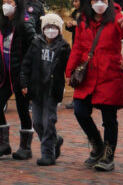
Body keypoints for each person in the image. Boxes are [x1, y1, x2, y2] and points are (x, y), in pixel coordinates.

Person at [66, 0, 123, 172]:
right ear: (90, 1)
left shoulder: (117, 17)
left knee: (109, 119)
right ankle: (97, 144)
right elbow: (78, 47)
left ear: (108, 0)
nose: (99, 2)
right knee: (80, 111)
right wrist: (70, 70)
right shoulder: (83, 21)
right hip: (88, 74)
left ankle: (108, 156)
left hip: (109, 74)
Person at [0, 0, 36, 161]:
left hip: (20, 76)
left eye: (9, 3)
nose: (5, 6)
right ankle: (3, 144)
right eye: (4, 2)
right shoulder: (2, 25)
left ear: (17, 5)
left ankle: (25, 147)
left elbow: (34, 48)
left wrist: (27, 76)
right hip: (5, 75)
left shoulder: (25, 24)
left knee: (23, 110)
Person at [20, 11, 71, 166]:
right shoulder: (36, 44)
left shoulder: (63, 47)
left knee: (48, 122)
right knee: (37, 122)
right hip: (36, 89)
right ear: (43, 28)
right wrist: (24, 83)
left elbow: (69, 65)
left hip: (52, 90)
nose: (51, 30)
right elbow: (26, 65)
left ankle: (48, 154)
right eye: (48, 26)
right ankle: (55, 141)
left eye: (54, 27)